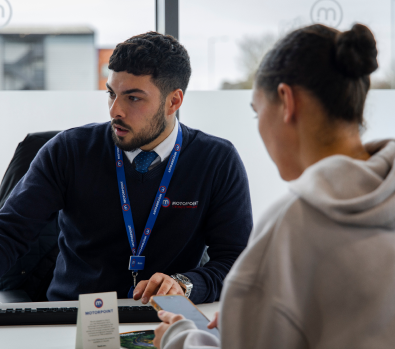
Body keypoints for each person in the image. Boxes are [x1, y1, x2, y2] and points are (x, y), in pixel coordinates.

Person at [153, 23, 395, 348]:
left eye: (257, 112)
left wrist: (179, 337)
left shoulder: (290, 230)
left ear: (286, 101)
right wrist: (253, 312)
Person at [0, 32, 253, 304]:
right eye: (111, 94)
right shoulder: (68, 151)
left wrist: (186, 285)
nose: (114, 111)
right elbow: (10, 232)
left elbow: (236, 262)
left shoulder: (216, 160)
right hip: (74, 318)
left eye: (133, 98)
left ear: (174, 101)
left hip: (166, 317)